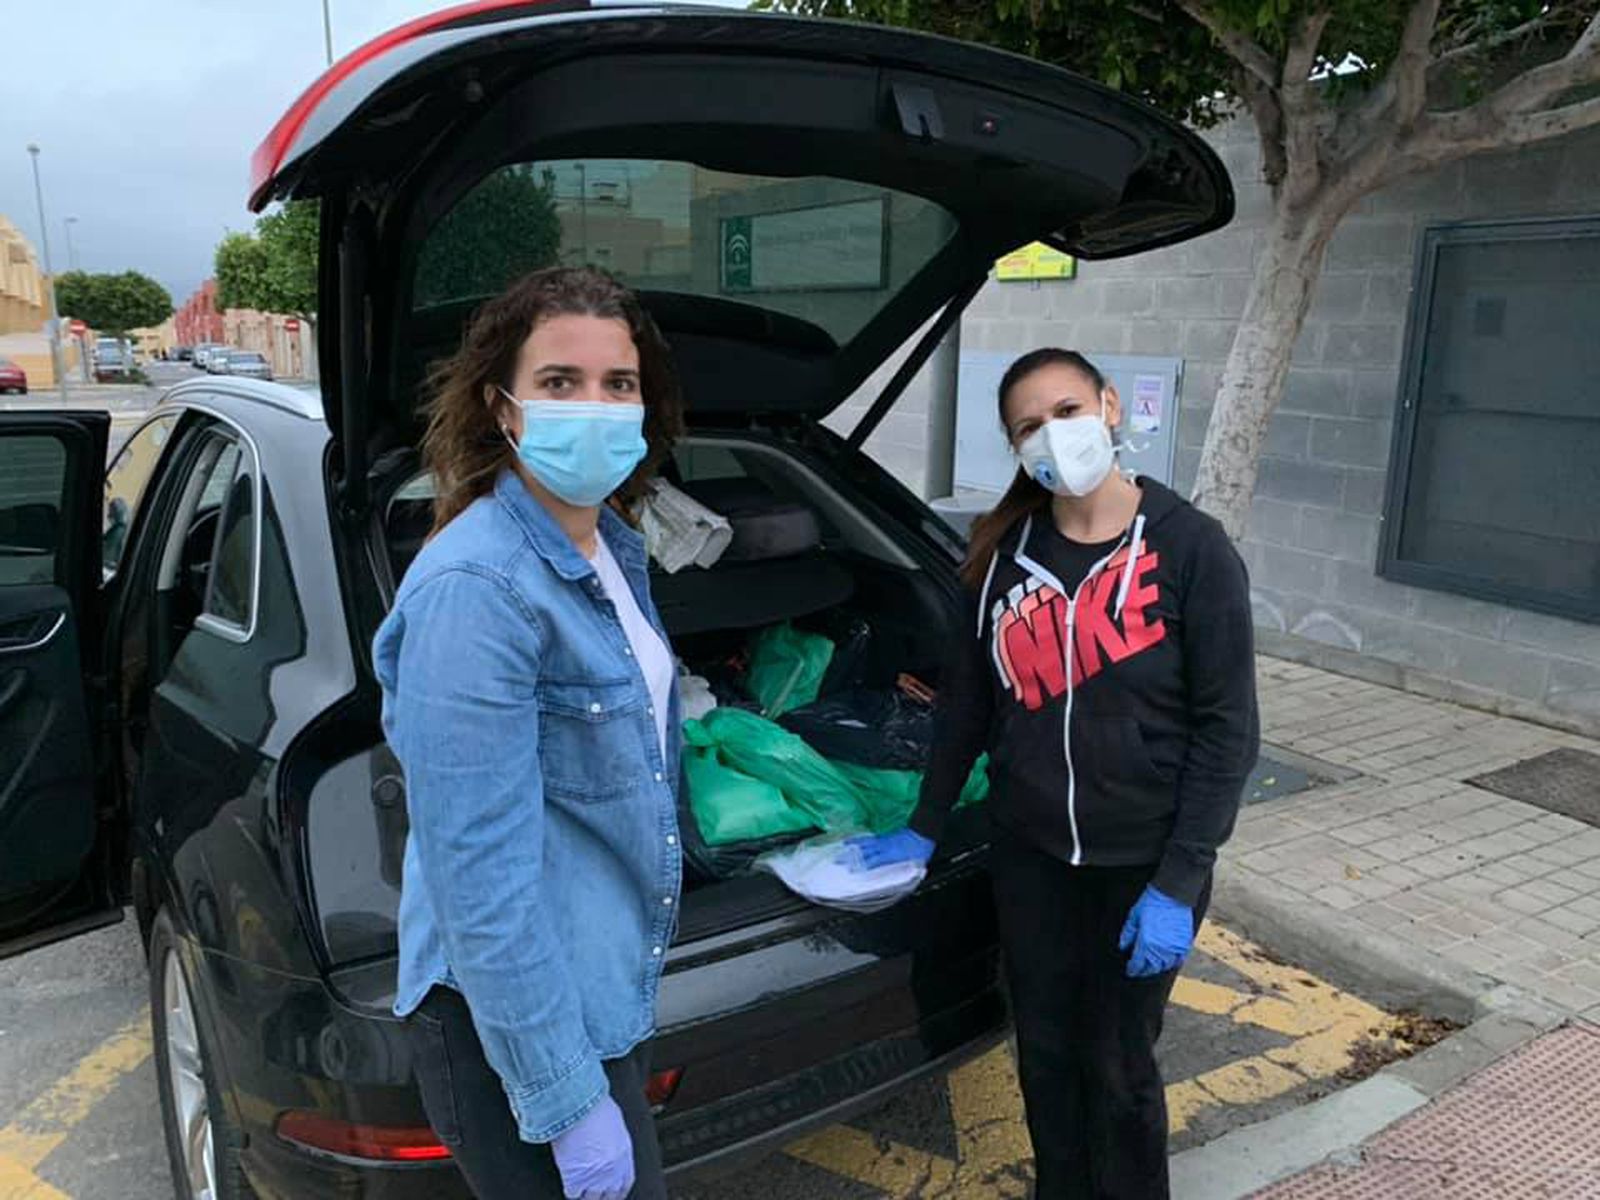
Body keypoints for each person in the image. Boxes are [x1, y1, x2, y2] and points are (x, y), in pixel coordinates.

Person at [850, 348, 1259, 1199]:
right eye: (1029, 427)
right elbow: (968, 706)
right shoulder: (1002, 556)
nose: (1053, 437)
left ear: (1110, 408)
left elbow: (1229, 732)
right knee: (1044, 1052)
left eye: (1067, 411)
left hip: (1139, 867)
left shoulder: (1189, 549)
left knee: (1119, 1071)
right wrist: (924, 825)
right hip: (1030, 859)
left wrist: (1180, 880)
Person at [373, 267, 686, 1200]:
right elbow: (482, 885)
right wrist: (564, 1099)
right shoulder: (479, 589)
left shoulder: (610, 548)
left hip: (589, 993)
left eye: (617, 385)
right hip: (508, 1030)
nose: (594, 406)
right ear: (503, 409)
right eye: (559, 383)